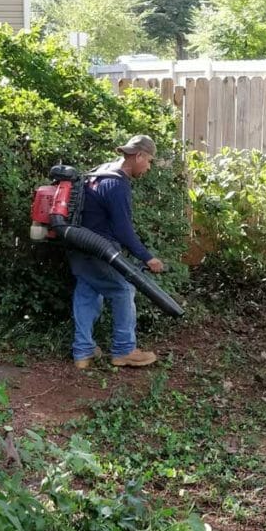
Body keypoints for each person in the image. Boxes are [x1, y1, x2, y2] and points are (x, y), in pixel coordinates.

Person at [69, 134, 165, 369]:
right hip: (98, 250)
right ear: (139, 155)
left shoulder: (99, 173)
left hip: (76, 244)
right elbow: (123, 230)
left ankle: (83, 353)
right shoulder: (117, 184)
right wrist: (147, 257)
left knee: (87, 291)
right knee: (123, 290)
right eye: (149, 161)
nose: (149, 167)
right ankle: (124, 350)